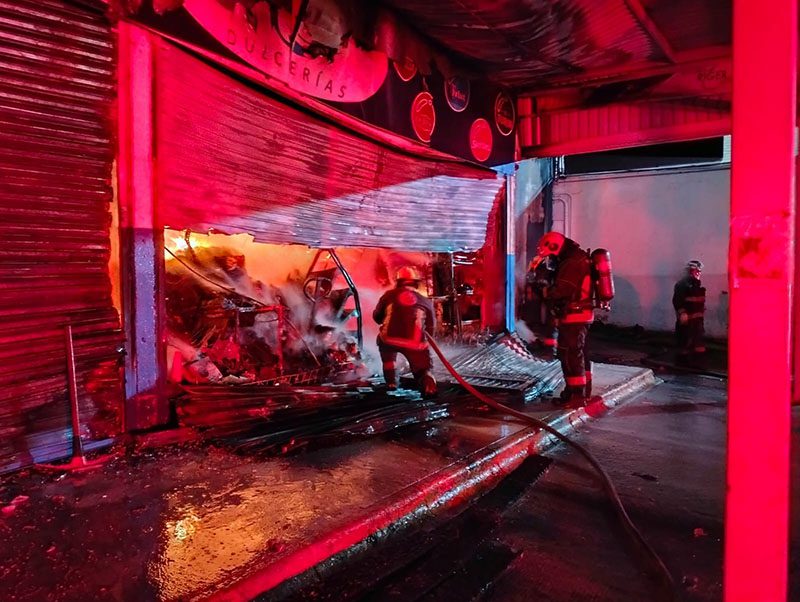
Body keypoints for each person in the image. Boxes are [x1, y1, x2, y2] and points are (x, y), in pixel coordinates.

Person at [535, 232, 595, 404]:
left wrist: (543, 290)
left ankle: (576, 395)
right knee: (579, 353)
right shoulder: (576, 257)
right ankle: (582, 392)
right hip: (581, 313)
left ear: (555, 247)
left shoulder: (572, 262)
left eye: (552, 255)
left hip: (575, 315)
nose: (552, 259)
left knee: (569, 355)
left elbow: (562, 290)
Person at [373, 266, 438, 397]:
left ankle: (391, 383)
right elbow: (431, 326)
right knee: (423, 368)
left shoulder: (388, 295)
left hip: (388, 339)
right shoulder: (425, 301)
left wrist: (385, 321)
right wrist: (425, 341)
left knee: (387, 355)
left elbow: (377, 316)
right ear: (415, 283)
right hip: (414, 343)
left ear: (398, 282)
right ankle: (428, 385)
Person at [524, 253, 558, 357]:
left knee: (551, 323)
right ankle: (549, 349)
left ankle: (550, 350)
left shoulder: (548, 264)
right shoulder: (543, 263)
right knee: (549, 323)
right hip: (545, 296)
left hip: (550, 297)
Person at [672, 259, 706, 364]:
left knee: (698, 343)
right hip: (687, 321)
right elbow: (677, 300)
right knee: (684, 341)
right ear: (690, 271)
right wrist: (682, 313)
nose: (698, 273)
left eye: (699, 271)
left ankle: (697, 364)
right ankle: (682, 364)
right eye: (696, 271)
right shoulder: (682, 285)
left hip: (697, 321)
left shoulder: (697, 285)